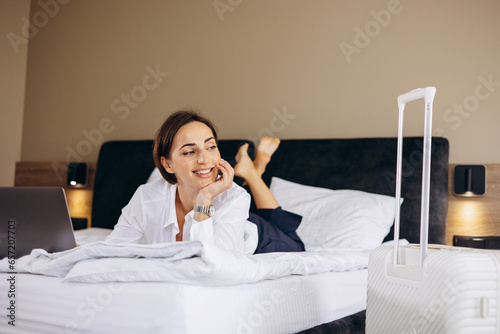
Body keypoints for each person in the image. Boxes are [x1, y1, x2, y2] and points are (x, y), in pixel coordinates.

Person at [105, 110, 304, 254]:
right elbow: (113, 249)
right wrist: (83, 254)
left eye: (210, 147)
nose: (204, 159)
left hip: (259, 238)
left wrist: (205, 200)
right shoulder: (146, 197)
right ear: (167, 165)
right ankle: (253, 171)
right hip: (228, 214)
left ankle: (253, 174)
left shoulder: (235, 197)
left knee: (295, 242)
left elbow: (213, 264)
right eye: (190, 151)